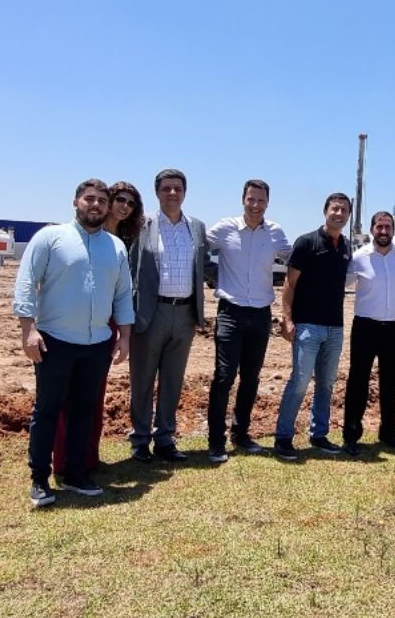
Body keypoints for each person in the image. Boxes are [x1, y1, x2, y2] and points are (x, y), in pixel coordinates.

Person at [12, 179, 134, 508]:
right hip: (55, 342)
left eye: (101, 201)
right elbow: (26, 283)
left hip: (97, 343)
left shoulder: (116, 247)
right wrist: (28, 329)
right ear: (76, 202)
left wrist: (124, 335)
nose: (95, 205)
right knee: (47, 410)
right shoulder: (50, 238)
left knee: (84, 410)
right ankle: (39, 479)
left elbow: (123, 294)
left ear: (107, 208)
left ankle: (77, 474)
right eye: (89, 199)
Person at [53, 181, 144, 474]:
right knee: (67, 396)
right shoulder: (79, 235)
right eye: (119, 200)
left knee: (94, 393)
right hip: (73, 322)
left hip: (109, 319)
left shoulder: (123, 241)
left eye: (130, 203)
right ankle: (63, 460)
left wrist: (124, 333)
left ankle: (88, 456)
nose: (124, 207)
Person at [206, 179, 292, 462]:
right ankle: (216, 441)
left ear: (268, 202)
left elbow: (296, 260)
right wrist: (210, 274)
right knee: (224, 376)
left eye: (261, 201)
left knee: (250, 378)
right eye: (251, 200)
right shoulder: (224, 228)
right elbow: (198, 247)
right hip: (230, 312)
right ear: (242, 199)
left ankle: (240, 434)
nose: (255, 206)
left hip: (260, 315)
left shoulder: (276, 233)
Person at [127, 169, 207, 463]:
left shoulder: (196, 227)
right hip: (151, 312)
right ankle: (140, 440)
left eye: (177, 188)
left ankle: (165, 439)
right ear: (157, 192)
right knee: (143, 379)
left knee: (173, 380)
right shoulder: (142, 225)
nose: (172, 193)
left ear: (185, 192)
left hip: (185, 314)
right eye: (166, 189)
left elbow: (205, 266)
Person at [272, 193, 353, 460]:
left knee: (327, 384)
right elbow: (289, 284)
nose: (338, 213)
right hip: (308, 326)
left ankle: (319, 435)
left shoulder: (345, 247)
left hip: (335, 328)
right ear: (325, 211)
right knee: (299, 381)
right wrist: (288, 319)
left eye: (343, 210)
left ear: (348, 215)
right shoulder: (306, 242)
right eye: (334, 208)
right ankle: (283, 438)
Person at [341, 211, 395, 456]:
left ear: (393, 229)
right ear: (372, 229)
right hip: (365, 327)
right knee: (358, 382)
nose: (383, 232)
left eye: (387, 227)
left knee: (392, 383)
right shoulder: (359, 257)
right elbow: (341, 283)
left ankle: (388, 433)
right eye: (379, 227)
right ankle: (351, 436)